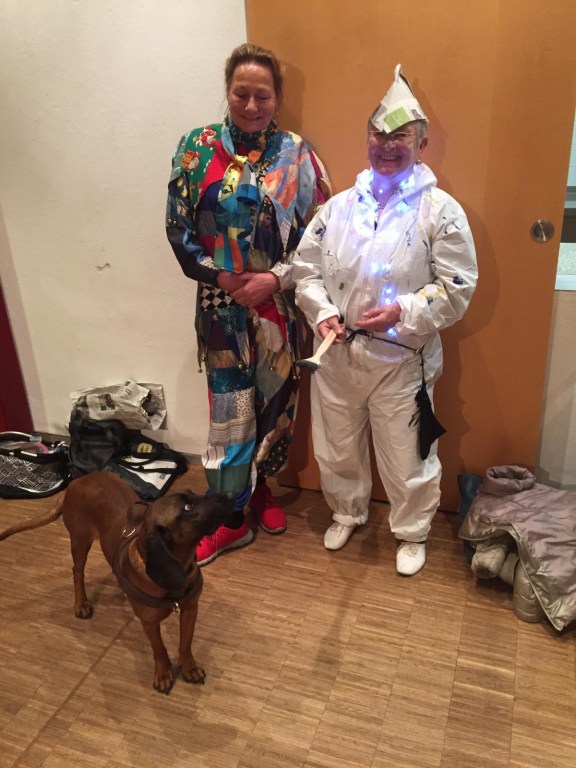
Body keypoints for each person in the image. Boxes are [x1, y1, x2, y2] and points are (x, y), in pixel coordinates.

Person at [292, 64, 477, 576]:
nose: (388, 145)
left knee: (406, 455)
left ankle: (412, 532)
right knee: (336, 445)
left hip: (401, 361)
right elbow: (305, 270)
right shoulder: (338, 209)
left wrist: (404, 311)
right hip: (336, 355)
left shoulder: (440, 211)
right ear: (367, 139)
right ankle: (346, 511)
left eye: (401, 136)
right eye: (379, 134)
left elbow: (457, 286)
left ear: (422, 144)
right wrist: (323, 313)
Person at [166, 44, 329, 565]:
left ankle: (257, 491)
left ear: (277, 97)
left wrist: (274, 279)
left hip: (278, 308)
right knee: (231, 414)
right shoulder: (196, 149)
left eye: (263, 95)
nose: (252, 105)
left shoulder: (298, 156)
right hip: (222, 309)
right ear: (228, 92)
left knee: (274, 406)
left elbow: (319, 239)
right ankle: (230, 520)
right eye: (242, 94)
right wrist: (221, 276)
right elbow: (177, 228)